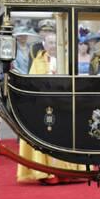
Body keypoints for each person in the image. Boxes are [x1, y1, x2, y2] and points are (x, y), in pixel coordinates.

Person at [17, 33, 84, 184]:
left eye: (55, 42)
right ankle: (47, 172)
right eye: (50, 43)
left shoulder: (66, 59)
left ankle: (68, 170)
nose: (53, 45)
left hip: (64, 104)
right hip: (44, 105)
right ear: (44, 44)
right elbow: (32, 84)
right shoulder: (38, 60)